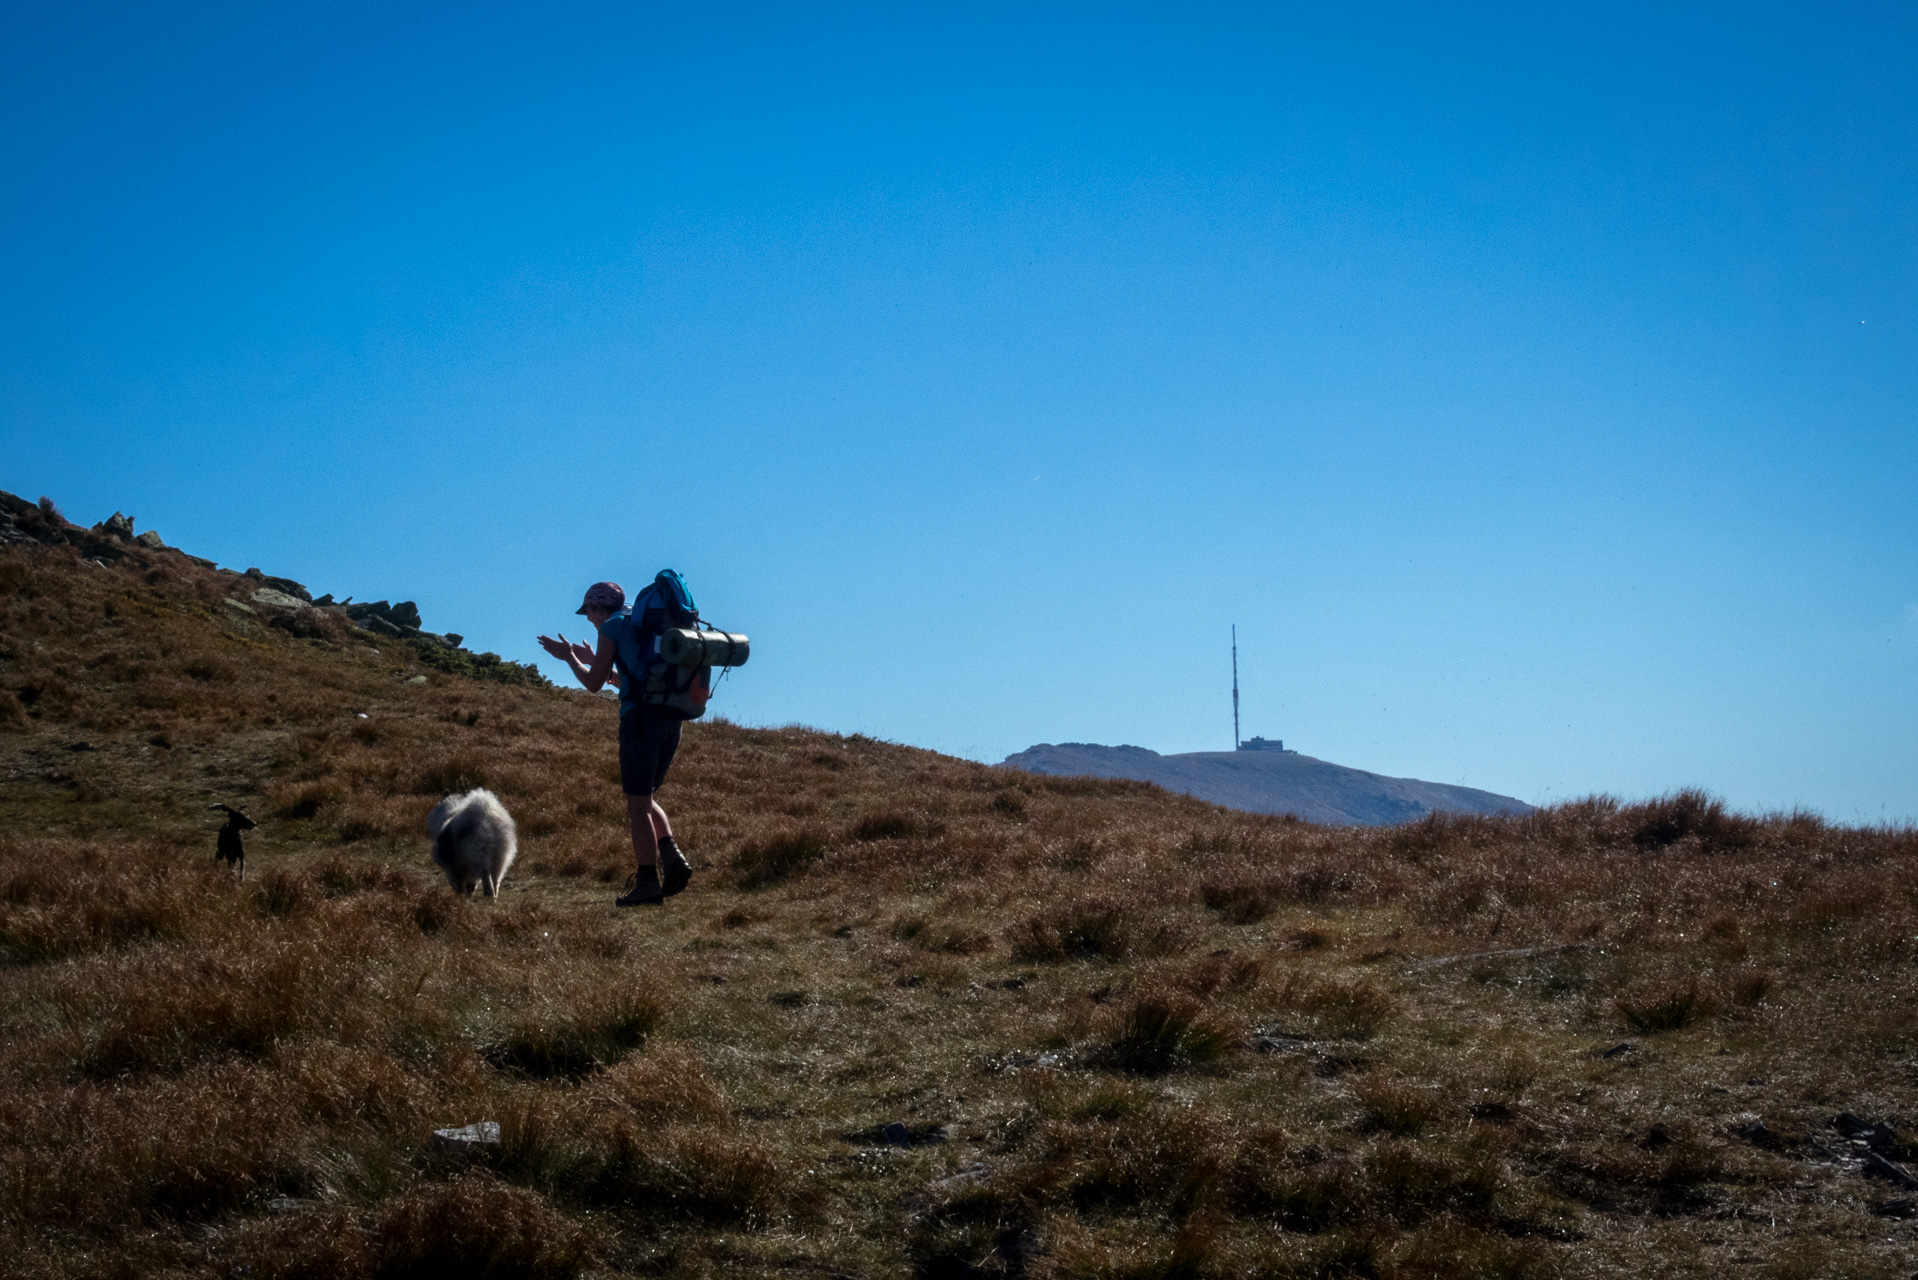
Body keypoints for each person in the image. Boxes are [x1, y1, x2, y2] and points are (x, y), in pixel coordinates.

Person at [537, 581, 694, 907]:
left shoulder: (611, 626)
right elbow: (627, 679)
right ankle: (673, 858)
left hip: (640, 724)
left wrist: (568, 658)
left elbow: (593, 684)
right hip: (671, 719)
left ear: (597, 608)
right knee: (646, 796)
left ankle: (648, 883)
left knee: (637, 807)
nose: (589, 620)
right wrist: (597, 660)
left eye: (589, 612)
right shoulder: (642, 623)